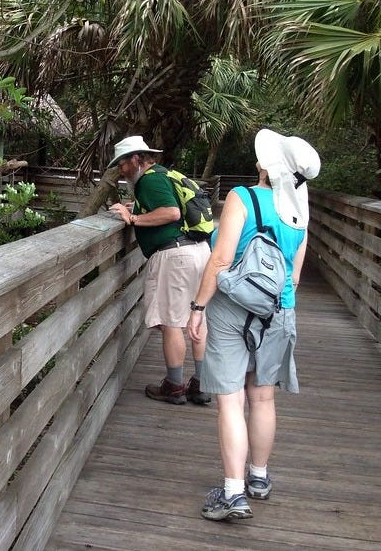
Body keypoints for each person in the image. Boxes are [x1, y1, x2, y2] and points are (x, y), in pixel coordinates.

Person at [187, 128, 320, 521]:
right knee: (262, 398)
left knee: (232, 400)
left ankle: (233, 493)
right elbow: (294, 276)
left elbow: (220, 260)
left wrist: (198, 307)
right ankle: (258, 478)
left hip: (233, 309)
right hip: (280, 310)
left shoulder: (242, 197)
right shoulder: (300, 211)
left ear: (265, 166)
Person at [107, 135, 212, 405]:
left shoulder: (150, 180)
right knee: (197, 317)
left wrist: (133, 218)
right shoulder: (164, 174)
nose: (120, 170)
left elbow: (171, 213)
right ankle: (201, 383)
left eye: (122, 164)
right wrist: (138, 207)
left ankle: (174, 386)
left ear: (135, 159)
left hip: (175, 256)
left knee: (172, 322)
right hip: (198, 251)